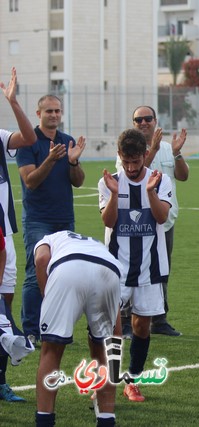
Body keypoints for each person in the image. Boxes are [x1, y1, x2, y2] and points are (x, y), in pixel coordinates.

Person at [98, 128, 171, 402]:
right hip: (115, 269)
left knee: (142, 327)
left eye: (136, 161)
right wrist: (116, 195)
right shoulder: (108, 182)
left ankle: (133, 379)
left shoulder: (160, 181)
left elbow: (162, 217)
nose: (130, 167)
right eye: (126, 161)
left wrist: (150, 192)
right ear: (120, 156)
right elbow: (108, 222)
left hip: (150, 268)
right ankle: (106, 381)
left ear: (144, 156)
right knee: (109, 327)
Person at [16, 94, 86, 346]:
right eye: (49, 111)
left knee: (64, 273)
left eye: (57, 111)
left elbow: (78, 181)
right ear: (38, 114)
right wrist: (50, 159)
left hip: (64, 219)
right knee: (37, 272)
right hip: (38, 220)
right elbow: (30, 181)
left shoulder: (67, 141)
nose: (54, 115)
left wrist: (73, 160)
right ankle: (31, 330)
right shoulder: (28, 142)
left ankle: (58, 327)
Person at [34, 230, 121, 427]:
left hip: (68, 268)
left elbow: (41, 259)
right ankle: (106, 421)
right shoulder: (95, 244)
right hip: (109, 270)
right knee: (104, 354)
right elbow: (116, 334)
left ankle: (44, 422)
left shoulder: (47, 239)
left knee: (51, 350)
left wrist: (47, 295)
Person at [117, 106, 189, 337]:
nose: (144, 122)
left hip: (163, 221)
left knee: (161, 269)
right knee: (130, 270)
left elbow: (183, 175)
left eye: (148, 118)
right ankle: (127, 320)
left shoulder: (168, 148)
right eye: (139, 119)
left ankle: (160, 318)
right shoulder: (125, 149)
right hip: (134, 224)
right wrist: (154, 149)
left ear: (156, 121)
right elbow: (134, 175)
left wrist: (176, 153)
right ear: (133, 123)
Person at [0, 67, 37, 402]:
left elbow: (29, 138)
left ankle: (0, 379)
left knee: (3, 309)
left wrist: (13, 102)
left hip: (3, 238)